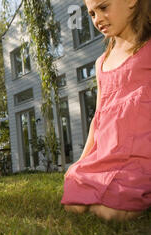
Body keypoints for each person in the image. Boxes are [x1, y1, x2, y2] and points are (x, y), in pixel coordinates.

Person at [62, 0, 151, 221]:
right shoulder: (102, 62)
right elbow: (98, 116)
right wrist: (80, 161)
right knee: (74, 204)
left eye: (103, 8)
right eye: (91, 14)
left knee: (110, 212)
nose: (97, 19)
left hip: (140, 154)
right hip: (107, 153)